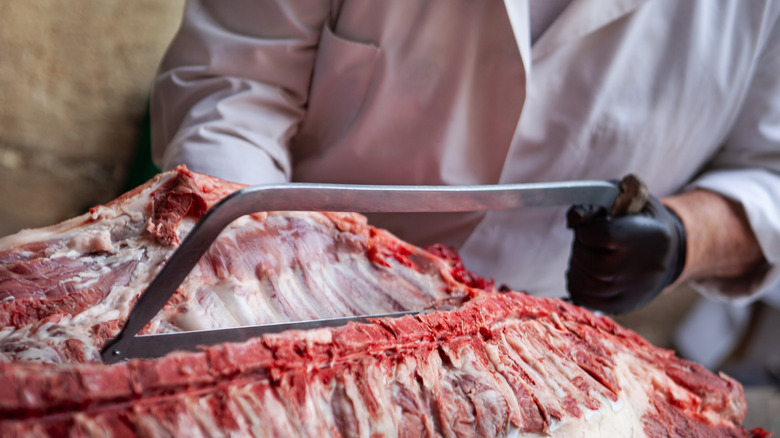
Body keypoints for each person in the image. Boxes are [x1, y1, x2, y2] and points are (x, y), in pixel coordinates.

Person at [150, 1, 779, 317]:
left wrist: (686, 235)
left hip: (538, 351)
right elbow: (236, 80)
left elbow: (770, 175)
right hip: (288, 274)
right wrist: (256, 276)